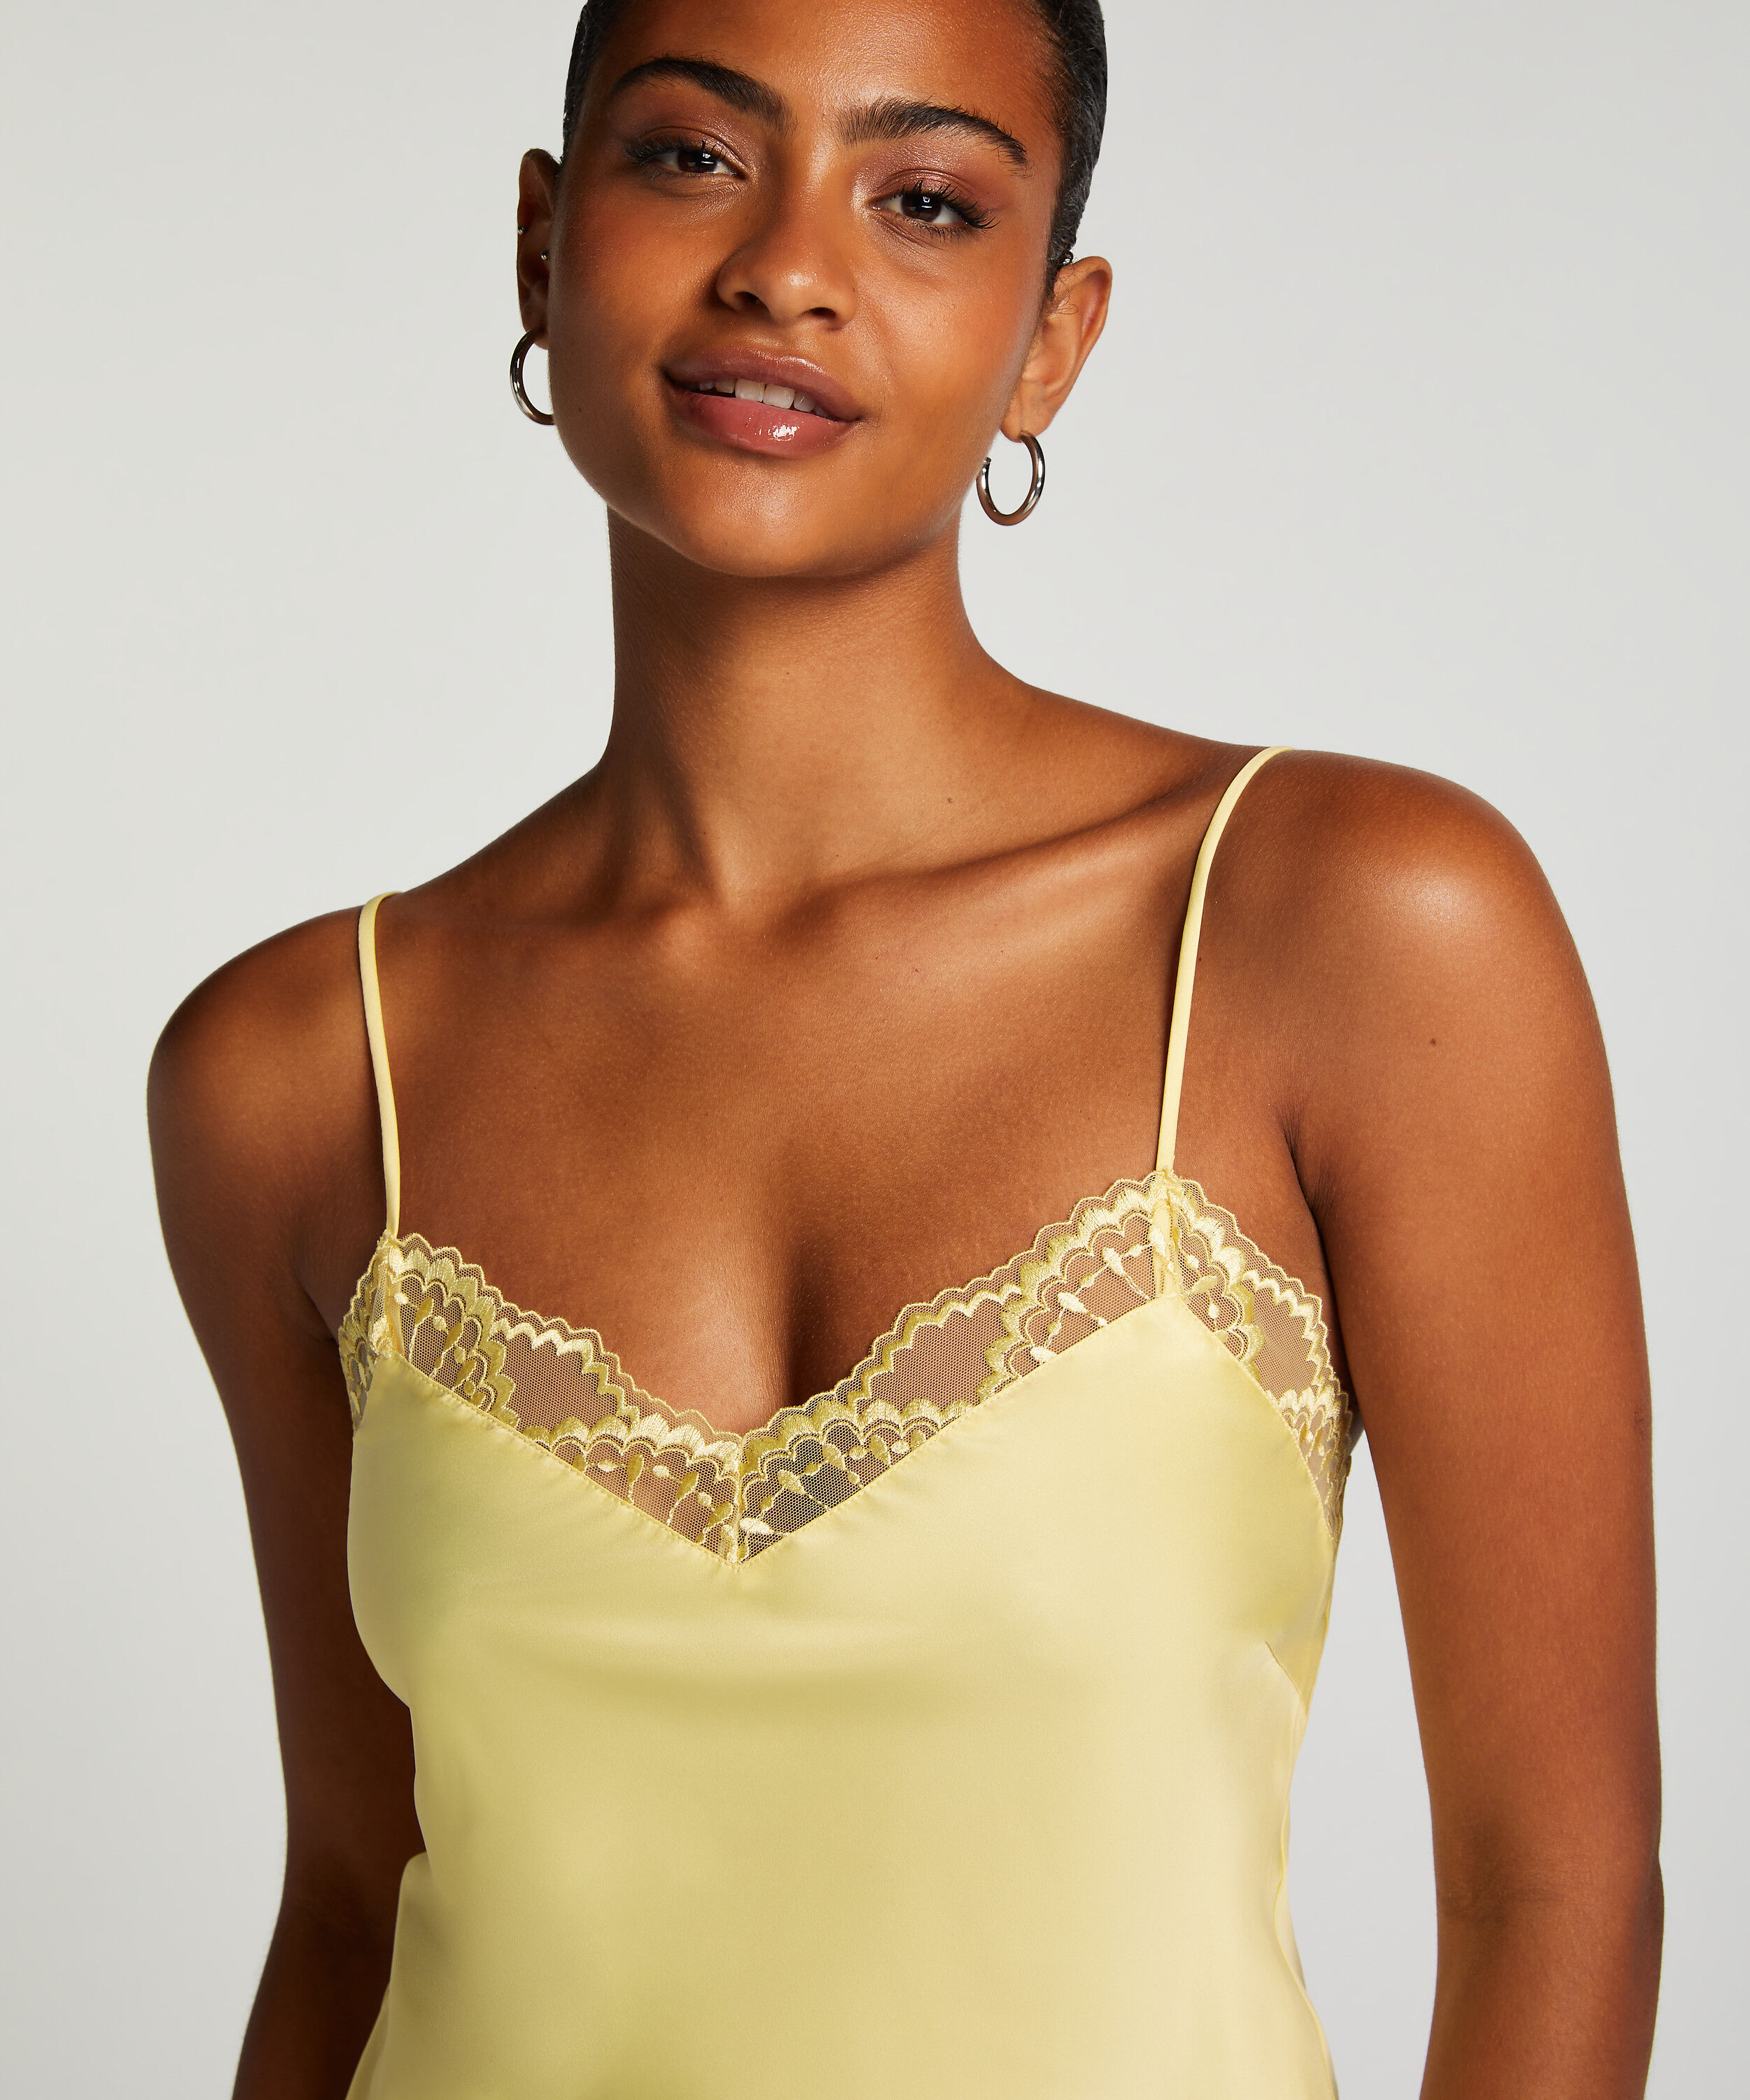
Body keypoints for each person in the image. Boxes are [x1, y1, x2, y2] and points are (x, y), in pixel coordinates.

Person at [148, 1, 1662, 2094]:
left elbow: (1555, 1890)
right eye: (693, 156)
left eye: (926, 199)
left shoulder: (1348, 926)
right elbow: (349, 1894)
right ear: (541, 245)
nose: (786, 266)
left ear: (1052, 342)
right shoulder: (300, 1070)